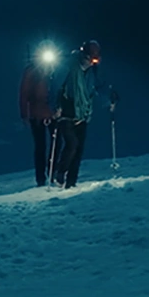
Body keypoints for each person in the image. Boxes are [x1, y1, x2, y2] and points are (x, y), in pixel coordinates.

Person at [50, 39, 107, 189]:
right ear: (84, 55)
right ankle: (60, 172)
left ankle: (71, 182)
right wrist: (55, 107)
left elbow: (99, 87)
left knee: (79, 149)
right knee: (71, 144)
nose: (91, 62)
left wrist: (110, 98)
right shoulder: (68, 66)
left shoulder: (92, 72)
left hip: (83, 113)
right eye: (90, 58)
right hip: (67, 110)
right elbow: (55, 86)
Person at [19, 43, 60, 186]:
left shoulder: (54, 71)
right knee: (40, 146)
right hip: (37, 114)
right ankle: (41, 177)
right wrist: (25, 114)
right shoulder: (32, 71)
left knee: (56, 143)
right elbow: (24, 93)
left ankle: (53, 172)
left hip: (53, 113)